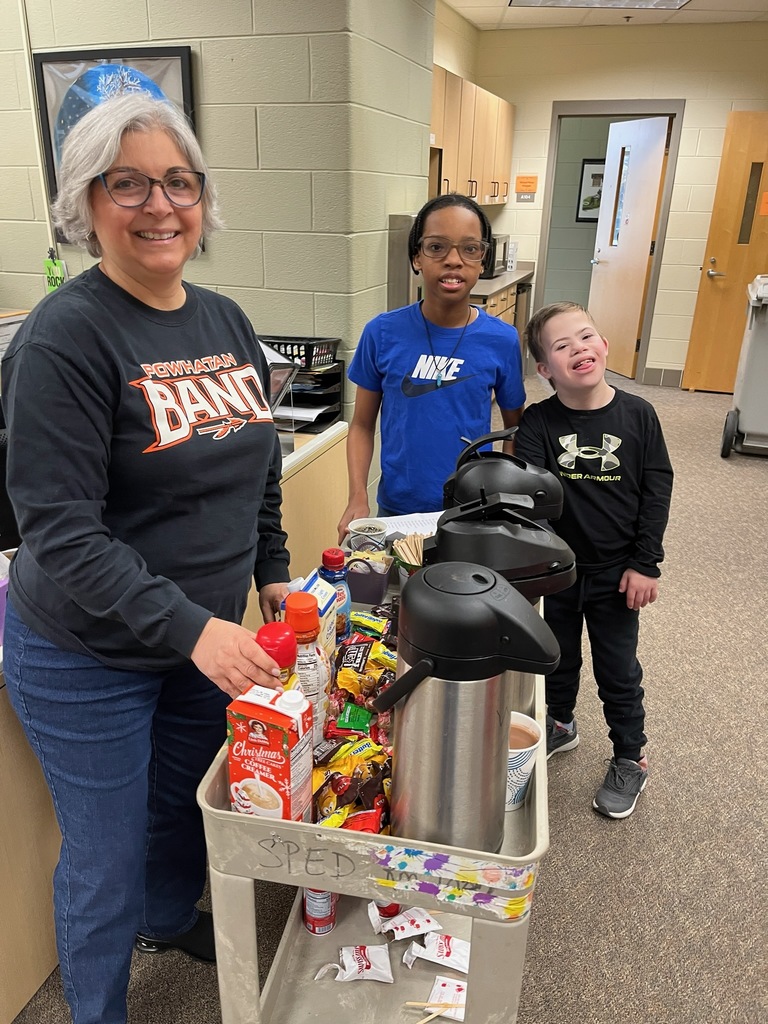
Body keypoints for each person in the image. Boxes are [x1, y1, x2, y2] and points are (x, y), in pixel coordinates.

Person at [1, 94, 291, 1024]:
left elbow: (260, 467)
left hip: (199, 640)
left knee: (185, 809)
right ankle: (96, 1012)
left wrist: (272, 574)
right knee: (106, 856)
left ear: (203, 199)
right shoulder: (65, 337)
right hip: (85, 656)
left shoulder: (228, 320)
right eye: (127, 184)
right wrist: (196, 630)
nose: (159, 204)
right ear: (86, 204)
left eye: (179, 182)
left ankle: (169, 919)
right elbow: (60, 531)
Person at [515, 301, 673, 819]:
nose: (579, 348)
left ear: (604, 346)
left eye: (586, 337)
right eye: (562, 346)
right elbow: (527, 497)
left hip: (616, 573)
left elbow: (656, 489)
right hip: (557, 571)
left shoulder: (637, 415)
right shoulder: (538, 422)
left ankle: (631, 756)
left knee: (617, 669)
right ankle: (560, 722)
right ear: (545, 370)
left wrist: (647, 564)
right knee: (555, 657)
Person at [337, 194, 525, 539]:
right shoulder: (381, 332)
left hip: (472, 507)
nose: (454, 261)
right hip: (398, 508)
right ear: (416, 258)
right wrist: (357, 495)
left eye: (470, 249)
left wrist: (506, 499)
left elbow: (515, 430)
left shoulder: (502, 340)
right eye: (437, 247)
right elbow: (362, 424)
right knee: (396, 592)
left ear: (482, 260)